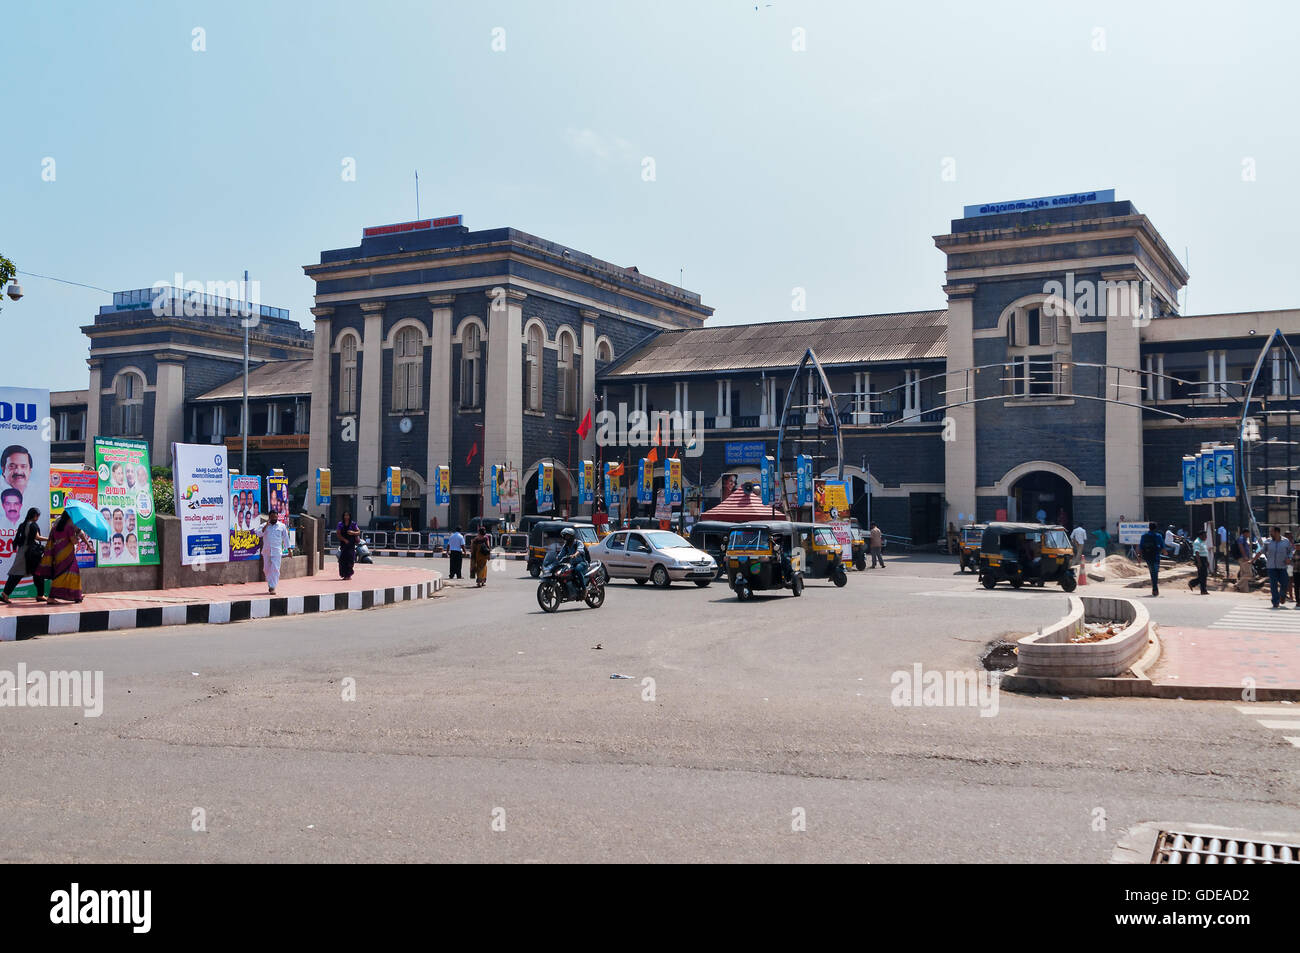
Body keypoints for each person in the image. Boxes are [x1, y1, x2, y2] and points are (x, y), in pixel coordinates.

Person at [1, 507, 46, 604]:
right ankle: (40, 595)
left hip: (22, 552)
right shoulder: (33, 525)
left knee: (19, 574)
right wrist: (49, 539)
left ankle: (40, 595)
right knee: (35, 573)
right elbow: (37, 537)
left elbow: (17, 540)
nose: (37, 518)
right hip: (29, 554)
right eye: (37, 515)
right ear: (34, 515)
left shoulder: (22, 525)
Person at [42, 512, 88, 604]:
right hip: (67, 555)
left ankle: (77, 595)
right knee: (73, 574)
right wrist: (78, 537)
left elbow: (52, 541)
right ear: (69, 518)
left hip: (57, 554)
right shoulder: (69, 528)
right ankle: (52, 597)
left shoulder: (55, 528)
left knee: (60, 575)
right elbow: (74, 541)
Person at [256, 509, 290, 594]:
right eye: (272, 517)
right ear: (269, 517)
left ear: (277, 517)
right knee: (266, 569)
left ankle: (272, 587)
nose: (274, 518)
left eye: (275, 517)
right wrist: (266, 526)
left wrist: (289, 550)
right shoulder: (264, 525)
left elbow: (286, 538)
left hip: (277, 551)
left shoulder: (282, 526)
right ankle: (270, 584)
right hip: (266, 551)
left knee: (275, 569)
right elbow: (258, 534)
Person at [1262, 526, 1292, 609]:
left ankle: (1282, 595)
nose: (1270, 533)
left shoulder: (1286, 541)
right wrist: (1252, 560)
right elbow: (1261, 551)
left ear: (1277, 532)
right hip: (1271, 567)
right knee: (1273, 585)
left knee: (1285, 583)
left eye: (1271, 532)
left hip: (1282, 567)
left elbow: (1290, 551)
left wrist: (1289, 558)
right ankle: (1275, 601)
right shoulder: (1268, 542)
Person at [555, 526, 587, 598]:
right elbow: (561, 554)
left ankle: (584, 589)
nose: (566, 538)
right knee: (563, 572)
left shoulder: (578, 543)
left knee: (577, 570)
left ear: (572, 536)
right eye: (565, 536)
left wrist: (575, 555)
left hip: (582, 563)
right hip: (572, 564)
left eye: (567, 536)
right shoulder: (566, 546)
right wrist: (556, 558)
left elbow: (580, 550)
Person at [1138, 521, 1163, 596]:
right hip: (1155, 556)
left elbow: (1141, 547)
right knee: (1155, 572)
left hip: (1147, 556)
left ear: (1149, 527)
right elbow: (1162, 546)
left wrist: (1139, 557)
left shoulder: (1144, 536)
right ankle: (1155, 588)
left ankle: (1154, 588)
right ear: (1156, 528)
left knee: (1152, 572)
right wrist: (1160, 552)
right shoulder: (1158, 536)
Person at [336, 510, 360, 580]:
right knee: (342, 559)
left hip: (351, 544)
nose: (346, 517)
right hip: (344, 544)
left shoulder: (353, 524)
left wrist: (352, 532)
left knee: (350, 559)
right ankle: (344, 574)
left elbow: (358, 532)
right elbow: (338, 534)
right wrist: (344, 540)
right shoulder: (340, 524)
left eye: (348, 515)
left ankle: (348, 575)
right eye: (345, 515)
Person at [1189, 530, 1210, 595]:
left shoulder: (1203, 542)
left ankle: (1193, 583)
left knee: (1204, 575)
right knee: (1202, 575)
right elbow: (1197, 552)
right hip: (1199, 559)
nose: (1206, 537)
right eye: (1205, 535)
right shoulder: (1197, 542)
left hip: (1204, 559)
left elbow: (1204, 552)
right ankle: (1203, 590)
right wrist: (1199, 562)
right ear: (1201, 536)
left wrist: (1207, 561)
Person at [1235, 526, 1254, 593]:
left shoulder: (1244, 539)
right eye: (1248, 534)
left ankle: (1244, 590)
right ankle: (1237, 585)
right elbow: (1241, 547)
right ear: (1246, 533)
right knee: (1249, 574)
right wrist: (1245, 556)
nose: (1249, 535)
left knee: (1244, 574)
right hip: (1243, 558)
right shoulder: (1241, 538)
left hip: (1244, 557)